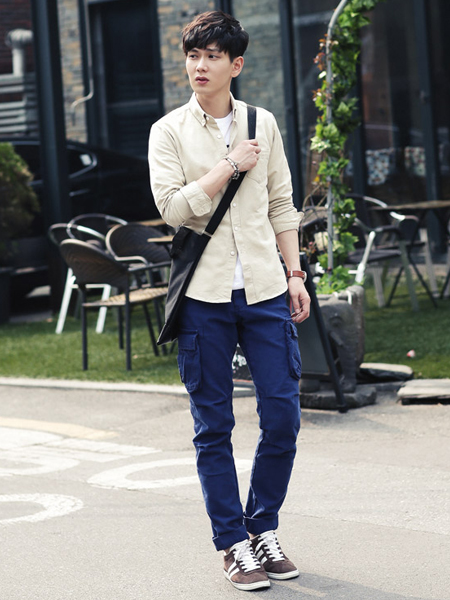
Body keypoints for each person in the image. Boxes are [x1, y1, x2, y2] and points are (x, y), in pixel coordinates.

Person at [148, 10, 310, 592]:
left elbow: (282, 204)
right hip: (204, 298)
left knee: (283, 416)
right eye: (193, 55)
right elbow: (172, 209)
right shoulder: (168, 131)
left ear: (235, 65)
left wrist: (296, 273)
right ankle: (232, 544)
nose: (200, 65)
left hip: (265, 289)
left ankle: (263, 527)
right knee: (213, 427)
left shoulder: (263, 123)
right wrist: (226, 168)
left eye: (212, 56)